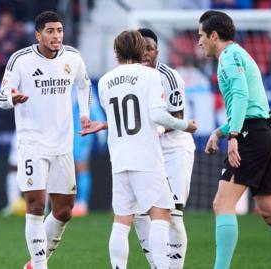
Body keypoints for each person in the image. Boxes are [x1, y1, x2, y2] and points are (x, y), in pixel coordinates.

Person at [82, 30, 197, 269]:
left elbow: (123, 117)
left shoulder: (104, 81)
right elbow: (157, 116)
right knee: (161, 216)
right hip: (147, 154)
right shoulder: (149, 77)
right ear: (138, 50)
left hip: (125, 156)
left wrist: (104, 125)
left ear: (116, 53)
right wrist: (185, 125)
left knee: (123, 220)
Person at [198, 10, 271, 269]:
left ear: (213, 35)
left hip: (251, 134)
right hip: (265, 131)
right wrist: (220, 131)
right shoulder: (240, 54)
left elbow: (242, 94)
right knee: (270, 210)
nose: (199, 42)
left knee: (222, 203)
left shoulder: (228, 57)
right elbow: (250, 105)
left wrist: (233, 135)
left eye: (201, 35)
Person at [0, 11, 92, 269]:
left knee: (63, 211)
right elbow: (1, 98)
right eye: (50, 31)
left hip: (63, 144)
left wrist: (84, 114)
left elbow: (84, 85)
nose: (56, 36)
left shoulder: (73, 57)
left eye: (59, 30)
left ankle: (34, 263)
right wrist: (11, 99)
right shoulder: (21, 60)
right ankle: (40, 265)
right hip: (33, 143)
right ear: (38, 35)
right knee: (37, 206)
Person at [131, 28, 195, 269]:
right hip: (148, 153)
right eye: (141, 48)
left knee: (174, 214)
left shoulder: (169, 77)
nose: (145, 53)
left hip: (174, 149)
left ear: (157, 50)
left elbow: (176, 116)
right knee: (140, 214)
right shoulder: (132, 78)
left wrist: (152, 132)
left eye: (149, 48)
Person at [71, 87, 106, 217]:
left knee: (81, 166)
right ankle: (70, 202)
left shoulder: (84, 88)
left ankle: (82, 203)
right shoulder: (63, 84)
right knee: (67, 169)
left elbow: (95, 108)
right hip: (66, 135)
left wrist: (102, 136)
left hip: (81, 135)